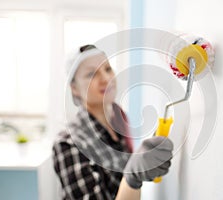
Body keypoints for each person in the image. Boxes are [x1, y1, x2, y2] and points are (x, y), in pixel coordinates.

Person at [52, 44, 173, 200]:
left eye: (108, 69)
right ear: (74, 88)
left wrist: (144, 164)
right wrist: (132, 178)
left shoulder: (119, 120)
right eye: (91, 74)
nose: (105, 78)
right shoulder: (69, 144)